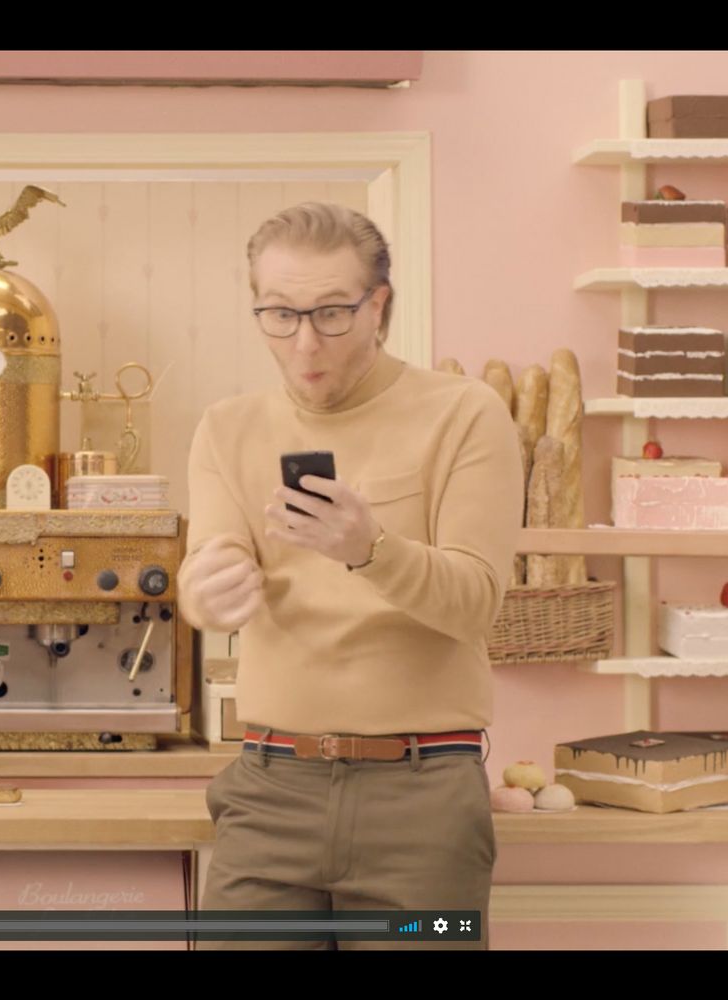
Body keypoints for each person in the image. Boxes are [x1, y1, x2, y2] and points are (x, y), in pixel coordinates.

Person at [178, 203, 522, 949]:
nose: (305, 341)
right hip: (269, 789)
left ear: (379, 306)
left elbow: (477, 606)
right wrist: (201, 594)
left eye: (332, 312)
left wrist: (371, 548)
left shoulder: (465, 414)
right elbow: (209, 567)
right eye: (279, 313)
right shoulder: (226, 428)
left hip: (422, 801)